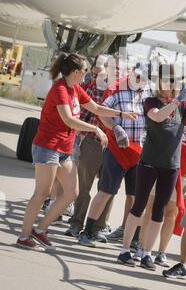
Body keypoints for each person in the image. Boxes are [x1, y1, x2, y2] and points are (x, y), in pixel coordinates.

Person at [16, 53, 136, 250]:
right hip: (48, 147)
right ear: (74, 72)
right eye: (84, 70)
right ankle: (24, 236)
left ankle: (40, 230)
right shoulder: (60, 89)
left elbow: (97, 108)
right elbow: (69, 120)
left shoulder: (75, 89)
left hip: (64, 149)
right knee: (42, 193)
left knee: (72, 192)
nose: (87, 74)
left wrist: (121, 114)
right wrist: (96, 129)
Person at [117, 64, 186, 271]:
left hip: (171, 167)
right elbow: (157, 116)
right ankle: (125, 250)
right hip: (149, 163)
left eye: (173, 81)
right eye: (166, 80)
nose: (170, 84)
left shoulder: (183, 106)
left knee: (160, 211)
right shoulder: (150, 102)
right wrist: (178, 100)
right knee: (139, 206)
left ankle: (147, 252)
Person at [78, 61, 152, 247]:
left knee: (135, 197)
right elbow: (102, 112)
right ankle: (87, 232)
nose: (140, 81)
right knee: (105, 192)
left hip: (139, 153)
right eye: (138, 77)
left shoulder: (149, 92)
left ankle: (133, 238)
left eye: (144, 79)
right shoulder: (117, 88)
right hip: (117, 150)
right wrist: (116, 127)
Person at [138, 95, 186, 273]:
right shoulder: (173, 114)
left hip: (183, 175)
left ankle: (161, 251)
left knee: (171, 214)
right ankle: (143, 247)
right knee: (152, 208)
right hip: (163, 166)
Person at [65, 55, 114, 241]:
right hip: (92, 142)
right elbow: (81, 114)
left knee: (107, 189)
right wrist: (82, 137)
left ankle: (98, 228)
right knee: (84, 187)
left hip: (112, 148)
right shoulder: (92, 89)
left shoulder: (119, 90)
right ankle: (76, 223)